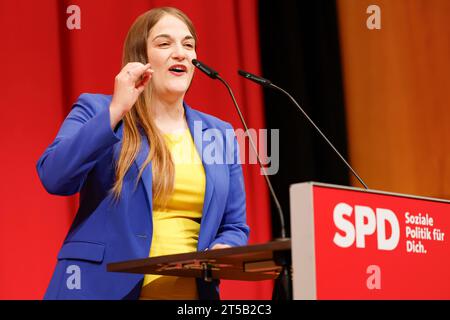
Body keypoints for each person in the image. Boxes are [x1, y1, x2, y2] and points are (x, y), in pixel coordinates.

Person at [37, 7, 249, 300]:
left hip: (190, 296)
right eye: (165, 44)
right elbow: (54, 176)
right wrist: (116, 110)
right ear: (140, 59)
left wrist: (224, 248)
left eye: (188, 45)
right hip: (101, 289)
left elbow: (234, 226)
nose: (180, 53)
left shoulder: (219, 133)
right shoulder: (99, 110)